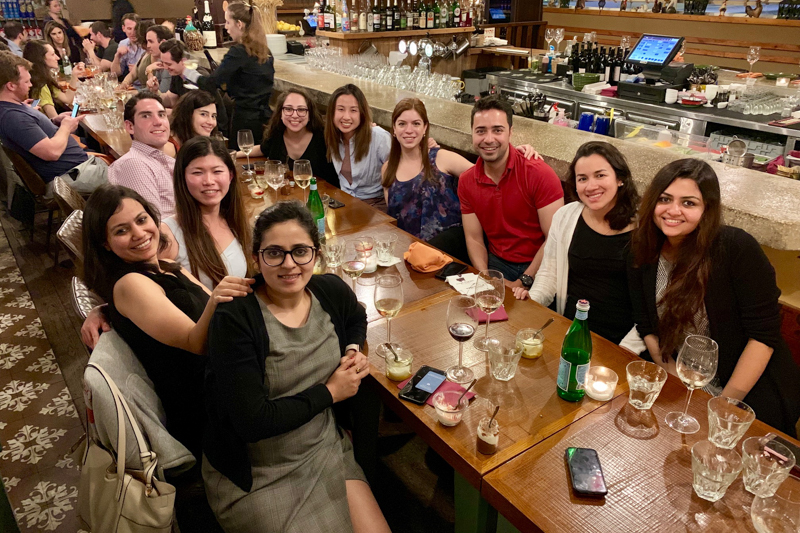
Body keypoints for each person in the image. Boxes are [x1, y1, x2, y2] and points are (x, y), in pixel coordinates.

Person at [203, 201, 391, 533]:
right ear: (256, 258)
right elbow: (252, 422)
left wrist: (351, 348)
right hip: (258, 469)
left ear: (315, 255)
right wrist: (330, 393)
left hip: (322, 447)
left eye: (300, 251)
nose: (289, 264)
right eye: (274, 253)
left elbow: (356, 316)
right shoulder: (236, 317)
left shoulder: (328, 290)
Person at [81, 183, 250, 531]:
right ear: (104, 243)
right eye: (121, 230)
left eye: (142, 220)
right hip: (204, 407)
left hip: (219, 375)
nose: (140, 233)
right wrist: (219, 298)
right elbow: (195, 341)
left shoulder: (165, 266)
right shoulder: (130, 284)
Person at [628, 158, 800, 437]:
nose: (673, 211)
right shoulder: (642, 248)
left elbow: (763, 337)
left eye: (688, 203)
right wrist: (672, 377)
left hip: (746, 394)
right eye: (665, 199)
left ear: (707, 209)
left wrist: (721, 407)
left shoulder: (735, 248)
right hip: (679, 381)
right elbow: (645, 323)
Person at [522, 141, 642, 349]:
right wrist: (529, 306)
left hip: (621, 343)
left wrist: (624, 353)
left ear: (620, 178)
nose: (591, 186)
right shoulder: (566, 216)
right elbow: (549, 276)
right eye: (582, 179)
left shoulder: (643, 227)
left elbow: (651, 308)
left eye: (600, 175)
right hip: (569, 331)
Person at [458, 95, 564, 294]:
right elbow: (473, 239)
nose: (489, 139)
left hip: (542, 266)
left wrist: (525, 279)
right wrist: (486, 279)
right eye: (481, 131)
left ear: (510, 132)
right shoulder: (466, 181)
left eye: (497, 130)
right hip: (497, 264)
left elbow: (555, 239)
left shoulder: (539, 174)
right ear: (472, 133)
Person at [0, 52, 107, 194]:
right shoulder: (13, 117)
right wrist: (66, 127)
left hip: (77, 170)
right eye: (26, 82)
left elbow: (31, 133)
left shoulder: (14, 109)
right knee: (135, 176)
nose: (31, 85)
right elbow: (52, 152)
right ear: (11, 86)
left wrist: (53, 122)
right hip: (70, 178)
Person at [171, 2, 274, 148]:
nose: (225, 27)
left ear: (239, 24)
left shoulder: (238, 52)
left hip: (245, 120)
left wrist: (186, 72)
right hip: (266, 119)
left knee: (242, 159)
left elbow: (210, 84)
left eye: (227, 22)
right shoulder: (265, 51)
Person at [160, 136, 250, 290]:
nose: (208, 180)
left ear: (230, 175)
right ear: (182, 177)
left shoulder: (234, 220)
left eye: (217, 171)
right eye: (197, 172)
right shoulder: (167, 235)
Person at [242, 87, 338, 188]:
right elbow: (262, 149)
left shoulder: (324, 138)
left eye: (301, 110)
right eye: (288, 109)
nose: (295, 115)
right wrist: (233, 155)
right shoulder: (276, 133)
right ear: (280, 113)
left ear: (310, 115)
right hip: (288, 197)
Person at [108, 92, 177, 217]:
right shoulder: (134, 165)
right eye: (146, 116)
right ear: (130, 127)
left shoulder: (160, 158)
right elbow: (154, 225)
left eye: (161, 115)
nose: (158, 122)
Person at [325, 84, 390, 210]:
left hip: (377, 206)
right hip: (344, 203)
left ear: (362, 113)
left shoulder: (380, 138)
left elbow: (398, 175)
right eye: (341, 109)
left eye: (353, 110)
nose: (346, 117)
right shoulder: (331, 135)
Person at [155, 39, 229, 135]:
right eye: (163, 63)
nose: (165, 68)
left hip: (212, 130)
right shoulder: (177, 74)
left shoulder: (199, 78)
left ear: (183, 61)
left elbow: (201, 114)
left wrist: (171, 113)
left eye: (169, 64)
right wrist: (155, 92)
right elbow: (170, 99)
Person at [23, 40, 84, 119]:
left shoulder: (43, 79)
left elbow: (67, 99)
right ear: (41, 58)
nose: (57, 58)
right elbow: (55, 121)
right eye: (52, 54)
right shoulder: (41, 86)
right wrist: (75, 113)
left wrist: (74, 75)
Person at [118, 24, 171, 91]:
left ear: (163, 43)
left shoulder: (167, 63)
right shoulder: (145, 54)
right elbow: (132, 74)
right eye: (147, 41)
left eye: (151, 41)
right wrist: (124, 84)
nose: (148, 45)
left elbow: (157, 92)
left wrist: (149, 71)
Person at [111, 13, 145, 79]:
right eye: (129, 29)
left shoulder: (147, 44)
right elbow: (115, 73)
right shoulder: (123, 43)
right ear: (123, 28)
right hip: (130, 85)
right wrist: (117, 56)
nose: (133, 32)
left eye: (136, 29)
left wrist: (138, 71)